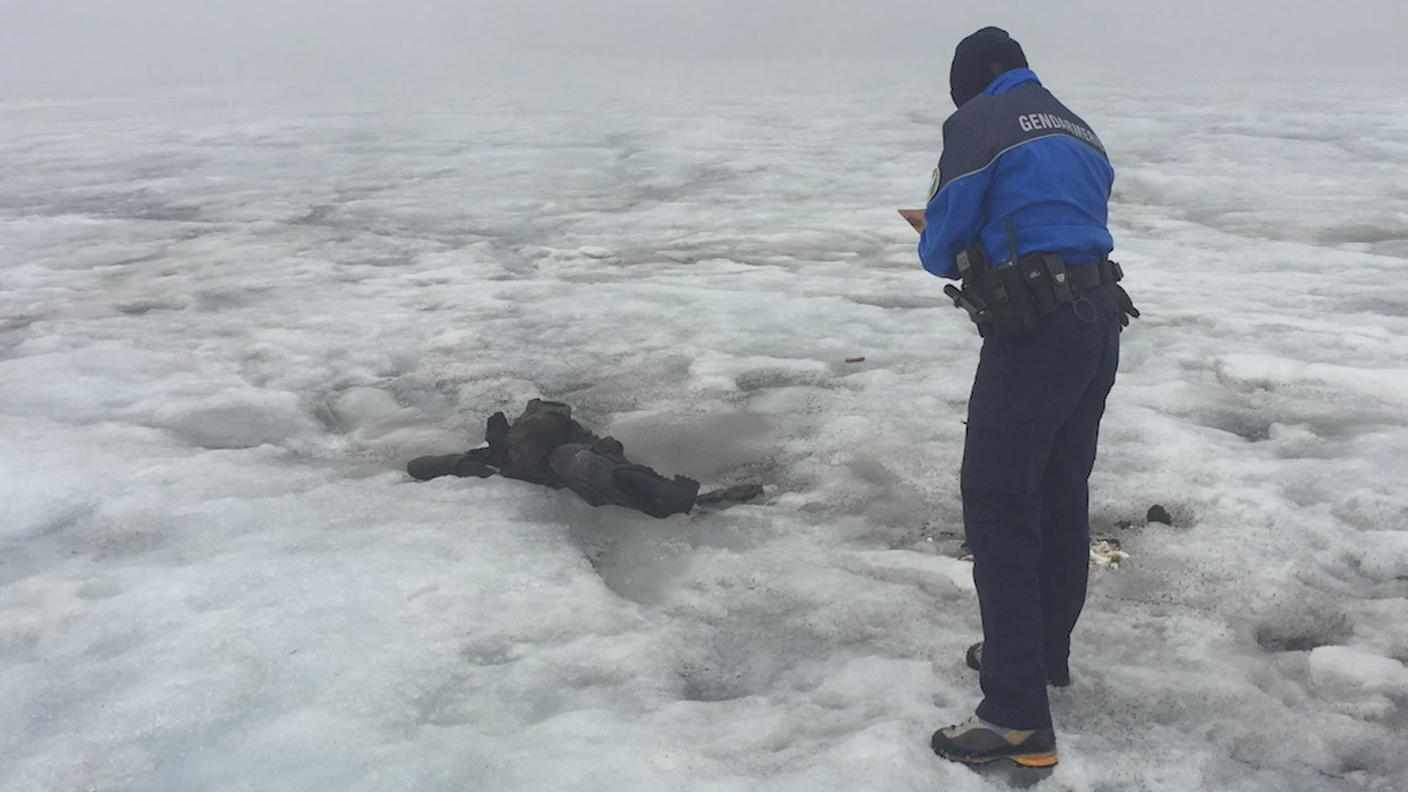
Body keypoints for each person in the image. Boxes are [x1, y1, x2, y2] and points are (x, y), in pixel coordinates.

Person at [917, 27, 1136, 768]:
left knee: (1000, 501)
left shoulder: (977, 122)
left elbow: (942, 246)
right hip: (1099, 319)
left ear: (972, 82)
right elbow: (1062, 215)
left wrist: (936, 232)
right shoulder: (1077, 125)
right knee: (1059, 491)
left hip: (1038, 330)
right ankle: (1041, 656)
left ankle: (1016, 719)